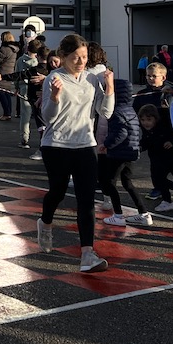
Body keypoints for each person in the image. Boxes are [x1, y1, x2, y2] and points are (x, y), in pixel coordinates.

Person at [36, 33, 115, 273]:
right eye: (76, 57)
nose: (81, 62)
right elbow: (48, 118)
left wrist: (109, 88)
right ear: (63, 56)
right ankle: (45, 222)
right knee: (58, 192)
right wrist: (54, 97)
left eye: (84, 57)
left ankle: (87, 254)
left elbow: (106, 112)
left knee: (86, 199)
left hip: (86, 145)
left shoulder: (91, 78)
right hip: (56, 145)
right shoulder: (54, 78)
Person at [99, 79, 152, 227]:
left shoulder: (116, 112)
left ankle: (118, 215)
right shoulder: (130, 110)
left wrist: (106, 144)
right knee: (127, 182)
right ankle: (144, 213)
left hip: (119, 153)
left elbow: (120, 133)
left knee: (110, 182)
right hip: (131, 152)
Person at [132, 61, 173, 200]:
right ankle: (158, 188)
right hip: (150, 136)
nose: (150, 78)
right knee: (155, 165)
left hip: (167, 136)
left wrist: (172, 139)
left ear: (163, 77)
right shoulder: (141, 94)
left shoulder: (169, 93)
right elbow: (135, 113)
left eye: (154, 76)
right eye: (148, 76)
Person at [137, 103, 173, 212]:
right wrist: (139, 147)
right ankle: (171, 199)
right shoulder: (148, 129)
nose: (145, 123)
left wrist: (172, 142)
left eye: (149, 119)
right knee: (158, 179)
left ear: (155, 119)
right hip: (157, 156)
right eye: (142, 120)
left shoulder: (167, 126)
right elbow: (146, 140)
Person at [0, 31, 20, 121]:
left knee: (1, 93)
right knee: (7, 94)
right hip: (9, 73)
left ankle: (6, 114)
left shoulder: (4, 49)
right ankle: (8, 113)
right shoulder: (14, 49)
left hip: (1, 73)